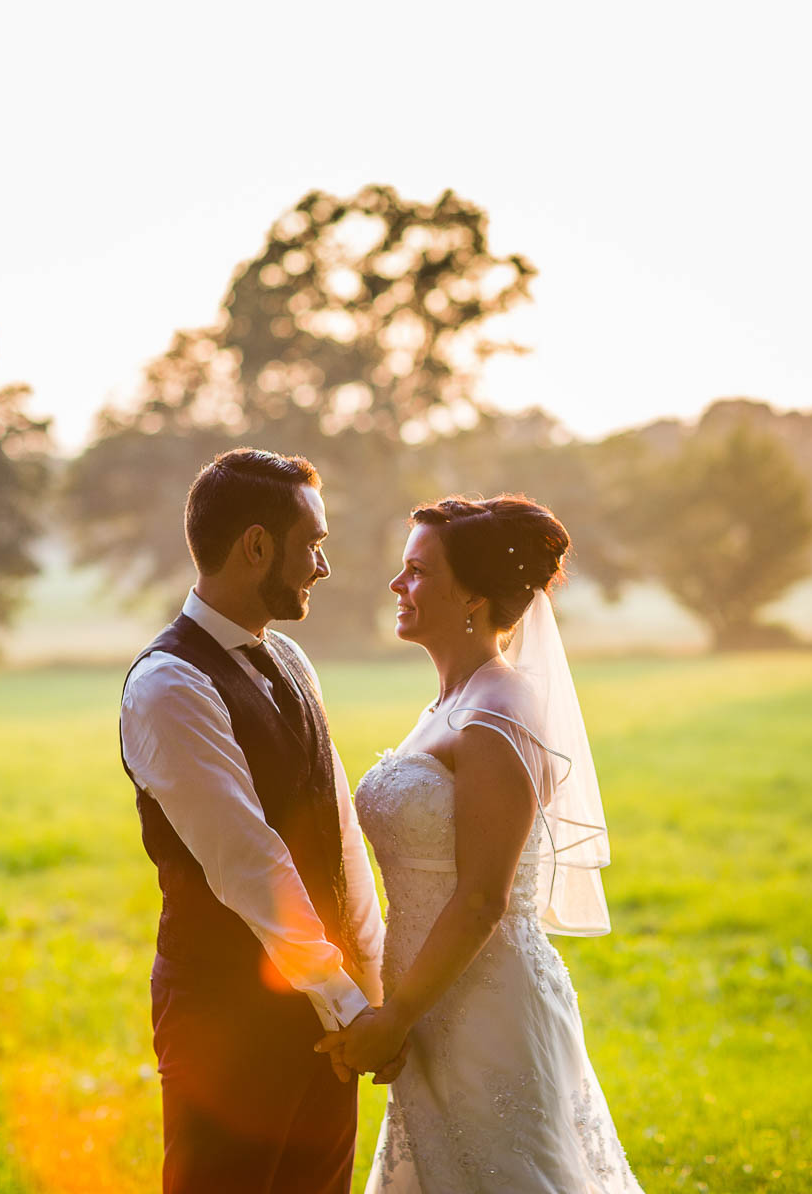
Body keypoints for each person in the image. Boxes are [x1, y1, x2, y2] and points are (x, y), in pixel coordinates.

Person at [318, 494, 641, 1193]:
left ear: (471, 593)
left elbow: (481, 898)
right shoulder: (450, 702)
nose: (397, 586)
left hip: (485, 1012)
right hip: (433, 1002)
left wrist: (395, 1016)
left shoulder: (497, 712)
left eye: (417, 572)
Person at [119, 448, 399, 1193]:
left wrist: (369, 993)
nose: (323, 567)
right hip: (226, 1025)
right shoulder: (169, 683)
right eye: (314, 544)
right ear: (255, 546)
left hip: (327, 1010)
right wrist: (346, 1005)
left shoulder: (294, 661)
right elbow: (250, 863)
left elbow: (339, 833)